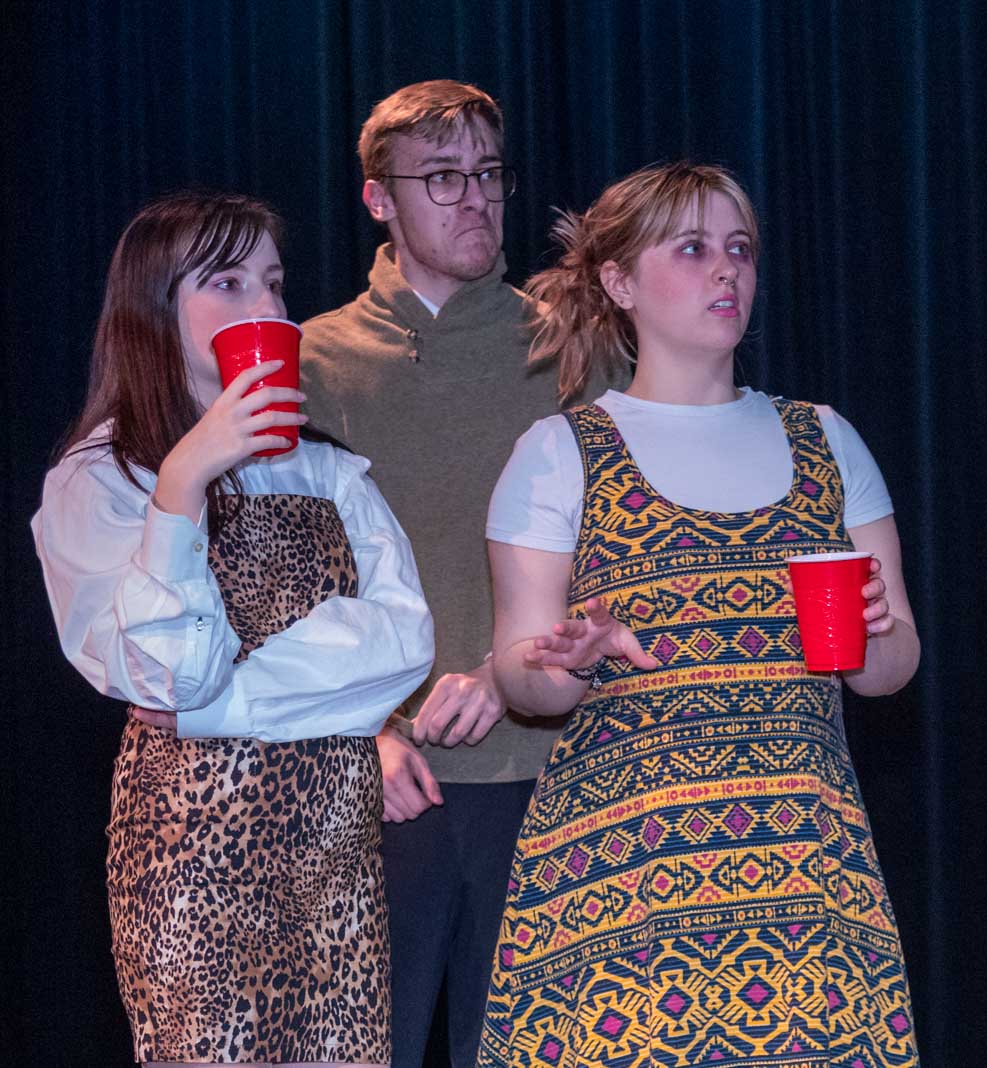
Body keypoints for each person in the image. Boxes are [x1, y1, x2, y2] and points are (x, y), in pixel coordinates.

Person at [475, 161, 921, 1066]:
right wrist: (571, 656)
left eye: (740, 248)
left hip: (802, 869)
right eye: (691, 248)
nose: (726, 269)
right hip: (624, 880)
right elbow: (522, 678)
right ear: (619, 282)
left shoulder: (825, 438)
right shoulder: (561, 452)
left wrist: (872, 632)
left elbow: (892, 668)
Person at [32, 191, 434, 1066]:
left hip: (334, 861)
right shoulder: (102, 480)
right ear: (154, 308)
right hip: (192, 860)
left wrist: (222, 707)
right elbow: (169, 677)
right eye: (227, 282)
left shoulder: (325, 468)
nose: (266, 307)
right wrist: (183, 484)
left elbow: (402, 642)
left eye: (274, 283)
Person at [299, 80, 600, 1067]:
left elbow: (624, 556)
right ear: (376, 199)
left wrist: (509, 669)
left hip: (549, 776)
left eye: (488, 174)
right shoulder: (311, 363)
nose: (474, 198)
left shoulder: (573, 349)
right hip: (379, 782)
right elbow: (273, 587)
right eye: (441, 178)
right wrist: (363, 731)